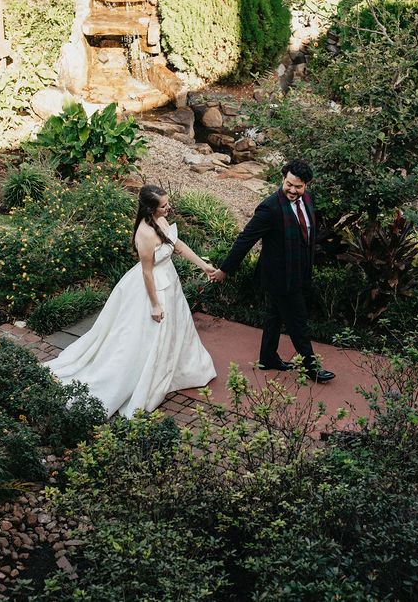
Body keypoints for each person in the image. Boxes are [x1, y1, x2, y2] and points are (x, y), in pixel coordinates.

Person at [44, 185, 217, 417]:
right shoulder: (144, 233)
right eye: (164, 205)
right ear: (150, 208)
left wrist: (204, 266)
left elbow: (177, 245)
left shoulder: (161, 221)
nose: (168, 208)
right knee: (142, 337)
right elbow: (147, 272)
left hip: (169, 283)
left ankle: (179, 370)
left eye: (167, 203)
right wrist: (155, 304)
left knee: (176, 330)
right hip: (152, 288)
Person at [208, 160, 335, 382]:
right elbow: (245, 239)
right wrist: (224, 270)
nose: (293, 191)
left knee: (275, 316)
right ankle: (312, 368)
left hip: (299, 271)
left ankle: (267, 358)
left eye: (299, 187)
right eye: (289, 184)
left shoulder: (308, 200)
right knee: (298, 321)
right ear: (282, 179)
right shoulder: (270, 208)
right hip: (279, 276)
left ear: (306, 185)